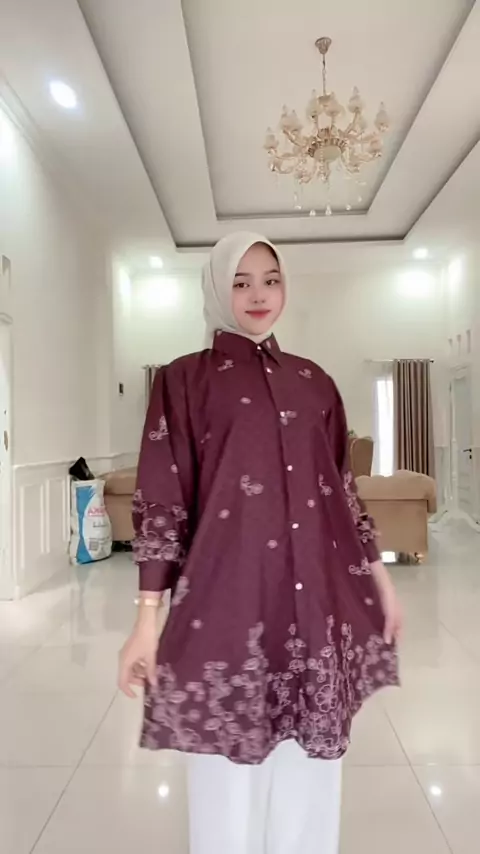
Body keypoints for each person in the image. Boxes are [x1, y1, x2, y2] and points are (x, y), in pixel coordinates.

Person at [118, 232, 401, 854]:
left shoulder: (315, 382)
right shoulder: (183, 381)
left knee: (310, 765)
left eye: (270, 279)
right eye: (240, 281)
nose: (257, 294)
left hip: (315, 603)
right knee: (226, 766)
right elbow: (162, 501)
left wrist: (381, 581)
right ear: (218, 289)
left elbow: (342, 493)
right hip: (226, 602)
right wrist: (146, 620)